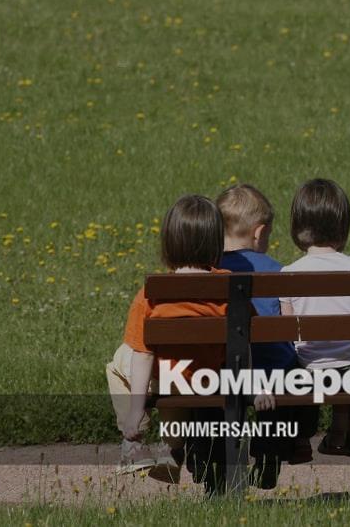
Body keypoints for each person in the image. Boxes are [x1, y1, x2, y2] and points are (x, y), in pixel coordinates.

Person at [107, 194, 229, 483]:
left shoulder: (153, 293)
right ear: (216, 243)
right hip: (207, 378)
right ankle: (171, 448)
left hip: (170, 378)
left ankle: (135, 442)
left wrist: (136, 411)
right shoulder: (229, 286)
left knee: (119, 362)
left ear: (169, 243)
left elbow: (143, 353)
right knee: (179, 373)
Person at [279, 179, 350, 460]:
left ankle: (301, 440)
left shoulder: (289, 273)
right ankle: (341, 431)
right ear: (343, 226)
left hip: (310, 366)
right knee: (349, 356)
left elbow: (288, 331)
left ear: (297, 226)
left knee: (300, 362)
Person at [214, 183, 298, 489]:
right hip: (273, 372)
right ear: (259, 233)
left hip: (222, 370)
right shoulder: (277, 271)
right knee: (280, 363)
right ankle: (268, 452)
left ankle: (215, 460)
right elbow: (290, 328)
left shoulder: (211, 270)